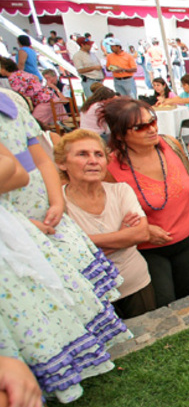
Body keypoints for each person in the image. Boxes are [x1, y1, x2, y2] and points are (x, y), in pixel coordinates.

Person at [0, 92, 130, 404]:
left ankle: (92, 355)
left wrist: (56, 202)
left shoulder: (11, 101)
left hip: (48, 213)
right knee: (40, 303)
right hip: (15, 224)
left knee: (78, 290)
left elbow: (40, 158)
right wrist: (21, 224)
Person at [104, 97, 189, 308]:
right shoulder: (109, 168)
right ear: (120, 135)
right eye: (140, 127)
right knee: (164, 304)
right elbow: (110, 214)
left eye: (153, 121)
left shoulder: (171, 145)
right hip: (149, 248)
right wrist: (145, 229)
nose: (152, 129)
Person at [55, 130, 156, 319]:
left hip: (136, 283)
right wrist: (122, 237)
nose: (93, 161)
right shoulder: (56, 203)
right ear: (62, 163)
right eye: (82, 154)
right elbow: (65, 255)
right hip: (92, 294)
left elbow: (141, 234)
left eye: (98, 155)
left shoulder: (121, 191)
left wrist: (84, 243)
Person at [0, 57, 65, 127]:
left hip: (44, 101)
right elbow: (35, 78)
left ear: (4, 68)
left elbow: (20, 95)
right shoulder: (20, 73)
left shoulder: (13, 78)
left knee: (33, 124)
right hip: (50, 98)